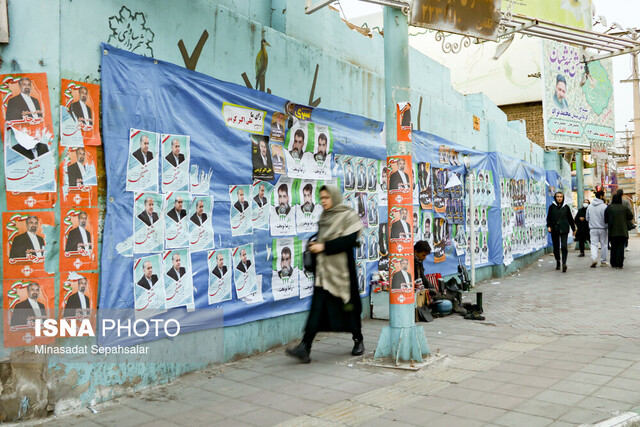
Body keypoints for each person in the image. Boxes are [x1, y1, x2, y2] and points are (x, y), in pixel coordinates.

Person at [286, 185, 364, 363]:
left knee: (349, 309)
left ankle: (358, 339)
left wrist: (324, 247)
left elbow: (350, 241)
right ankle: (305, 347)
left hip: (342, 273)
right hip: (324, 272)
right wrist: (315, 247)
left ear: (335, 197)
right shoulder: (324, 217)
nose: (324, 201)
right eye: (321, 198)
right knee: (317, 309)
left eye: (327, 197)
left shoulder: (347, 215)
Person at [546, 191, 576, 272]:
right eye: (558, 197)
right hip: (555, 229)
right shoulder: (552, 207)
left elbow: (570, 219)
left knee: (564, 246)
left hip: (564, 229)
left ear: (563, 198)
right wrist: (549, 226)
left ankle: (564, 262)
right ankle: (558, 261)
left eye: (561, 197)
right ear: (555, 198)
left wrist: (574, 229)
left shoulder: (566, 207)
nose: (559, 198)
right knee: (556, 247)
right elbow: (549, 218)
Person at [605, 193, 634, 269]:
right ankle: (619, 263)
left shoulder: (609, 208)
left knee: (613, 246)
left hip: (612, 231)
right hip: (623, 231)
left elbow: (605, 219)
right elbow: (630, 216)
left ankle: (613, 262)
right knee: (621, 247)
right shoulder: (624, 208)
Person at [586, 191, 608, 268]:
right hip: (603, 228)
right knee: (604, 245)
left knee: (594, 244)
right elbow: (607, 218)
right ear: (601, 196)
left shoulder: (590, 206)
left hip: (593, 228)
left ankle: (594, 258)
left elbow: (587, 218)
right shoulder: (604, 206)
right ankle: (603, 261)